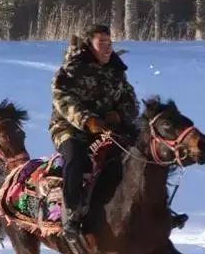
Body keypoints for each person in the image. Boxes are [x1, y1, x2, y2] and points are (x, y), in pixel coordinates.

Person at [48, 24, 138, 240]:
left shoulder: (116, 71)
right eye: (102, 43)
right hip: (70, 128)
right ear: (90, 45)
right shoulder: (71, 70)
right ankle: (71, 214)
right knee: (75, 158)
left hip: (108, 130)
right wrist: (87, 120)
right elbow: (62, 99)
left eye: (110, 43)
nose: (107, 49)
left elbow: (131, 101)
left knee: (142, 153)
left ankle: (149, 208)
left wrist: (120, 116)